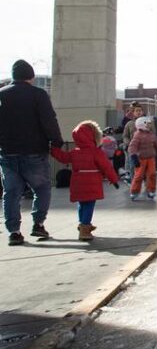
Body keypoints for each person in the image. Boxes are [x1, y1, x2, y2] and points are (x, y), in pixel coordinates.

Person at [0, 60, 63, 245]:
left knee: (11, 193)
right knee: (42, 188)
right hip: (34, 151)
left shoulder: (2, 95)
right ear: (31, 76)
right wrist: (56, 141)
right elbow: (49, 120)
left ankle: (14, 232)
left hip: (7, 153)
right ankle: (38, 224)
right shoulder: (38, 95)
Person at [50, 121, 120, 241]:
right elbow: (106, 166)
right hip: (92, 182)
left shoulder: (74, 152)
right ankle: (85, 228)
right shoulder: (96, 152)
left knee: (81, 204)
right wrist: (114, 180)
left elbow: (63, 157)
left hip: (77, 182)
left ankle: (83, 224)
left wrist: (53, 149)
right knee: (89, 205)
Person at [128, 116, 157, 201]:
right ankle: (134, 191)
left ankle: (151, 190)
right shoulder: (137, 135)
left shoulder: (152, 135)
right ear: (141, 124)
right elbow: (132, 146)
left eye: (150, 124)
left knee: (152, 174)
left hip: (151, 158)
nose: (150, 126)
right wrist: (134, 156)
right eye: (148, 124)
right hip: (141, 159)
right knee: (139, 175)